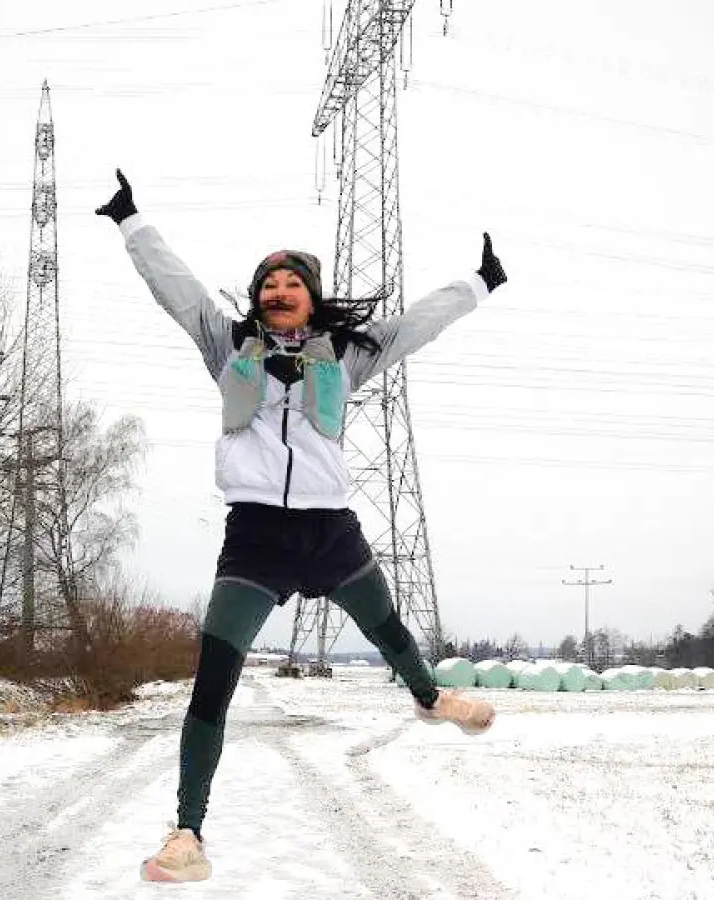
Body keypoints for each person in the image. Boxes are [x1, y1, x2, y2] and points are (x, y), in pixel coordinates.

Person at [95, 169, 506, 884]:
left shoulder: (347, 355)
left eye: (290, 284)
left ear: (311, 297)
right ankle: (188, 833)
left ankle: (429, 696)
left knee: (389, 631)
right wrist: (133, 222)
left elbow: (417, 322)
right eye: (266, 285)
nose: (276, 293)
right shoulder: (228, 347)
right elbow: (177, 288)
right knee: (213, 684)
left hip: (330, 532)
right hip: (255, 538)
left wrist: (480, 282)